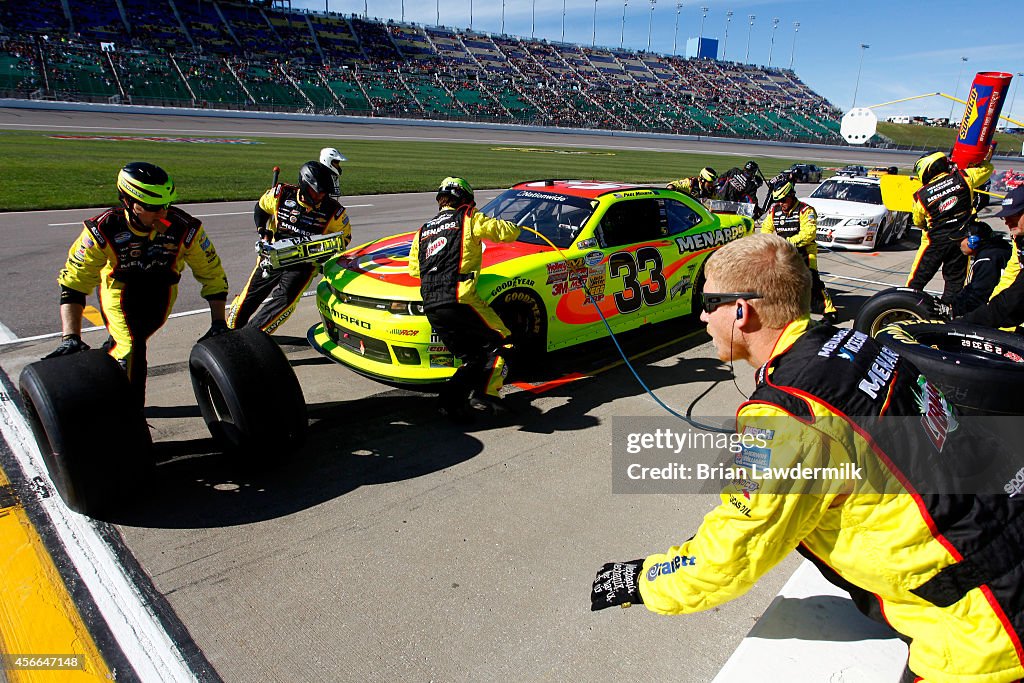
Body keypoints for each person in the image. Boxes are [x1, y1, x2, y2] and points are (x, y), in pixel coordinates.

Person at [590, 233, 1024, 682]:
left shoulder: (786, 417)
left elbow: (734, 552)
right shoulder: (857, 345)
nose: (701, 315)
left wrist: (642, 581)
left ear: (742, 311)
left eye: (706, 301)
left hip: (985, 629)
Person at [47, 162, 229, 403]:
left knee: (128, 343)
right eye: (152, 207)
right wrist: (71, 337)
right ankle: (132, 417)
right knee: (132, 349)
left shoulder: (184, 229)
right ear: (128, 202)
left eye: (166, 205)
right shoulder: (102, 230)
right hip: (119, 292)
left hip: (162, 294)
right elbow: (74, 281)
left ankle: (104, 368)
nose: (162, 213)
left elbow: (212, 272)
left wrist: (218, 322)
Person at [408, 177, 521, 422]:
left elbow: (414, 270)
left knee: (473, 357)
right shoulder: (469, 216)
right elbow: (505, 233)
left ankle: (448, 404)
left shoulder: (423, 230)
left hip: (431, 304)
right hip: (460, 298)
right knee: (504, 341)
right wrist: (517, 227)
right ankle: (487, 394)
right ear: (465, 199)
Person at [228, 160, 351, 334]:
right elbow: (261, 208)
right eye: (316, 193)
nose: (320, 197)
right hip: (272, 257)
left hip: (304, 265)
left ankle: (252, 336)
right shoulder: (281, 194)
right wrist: (262, 230)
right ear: (304, 184)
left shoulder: (335, 211)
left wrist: (324, 253)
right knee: (249, 297)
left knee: (285, 301)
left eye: (324, 193)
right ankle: (228, 330)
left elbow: (344, 237)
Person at [905, 150, 994, 301]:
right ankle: (949, 314)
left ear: (926, 170)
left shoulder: (920, 195)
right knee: (955, 283)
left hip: (934, 242)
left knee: (917, 280)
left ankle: (902, 306)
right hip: (961, 240)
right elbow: (987, 170)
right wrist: (984, 161)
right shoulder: (964, 177)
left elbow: (918, 221)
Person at [760, 179, 839, 324]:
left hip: (805, 252)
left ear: (791, 196)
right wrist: (771, 241)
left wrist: (788, 242)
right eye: (777, 200)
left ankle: (830, 311)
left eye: (783, 200)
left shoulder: (806, 210)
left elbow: (809, 233)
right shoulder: (774, 211)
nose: (781, 203)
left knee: (812, 280)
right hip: (783, 253)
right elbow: (765, 230)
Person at [961, 185, 1024, 329]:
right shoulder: (1019, 239)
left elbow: (1015, 298)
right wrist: (991, 306)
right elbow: (1010, 275)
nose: (1007, 222)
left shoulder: (987, 259)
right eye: (1005, 216)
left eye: (1013, 215)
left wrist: (969, 322)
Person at [945, 220, 1011, 318]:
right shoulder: (998, 249)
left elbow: (979, 294)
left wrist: (954, 310)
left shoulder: (986, 259)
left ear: (973, 241)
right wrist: (952, 302)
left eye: (960, 241)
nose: (958, 245)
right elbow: (973, 288)